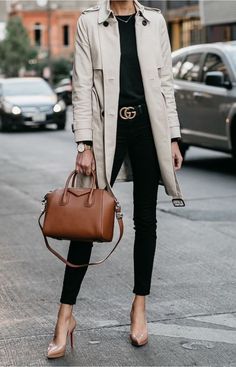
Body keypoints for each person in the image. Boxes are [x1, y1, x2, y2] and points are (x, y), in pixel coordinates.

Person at [47, 0, 185, 359]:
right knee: (86, 225)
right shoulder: (89, 22)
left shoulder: (153, 22)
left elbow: (165, 83)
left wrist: (172, 136)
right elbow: (81, 87)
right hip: (107, 131)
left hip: (147, 129)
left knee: (146, 221)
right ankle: (65, 317)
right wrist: (83, 143)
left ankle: (139, 307)